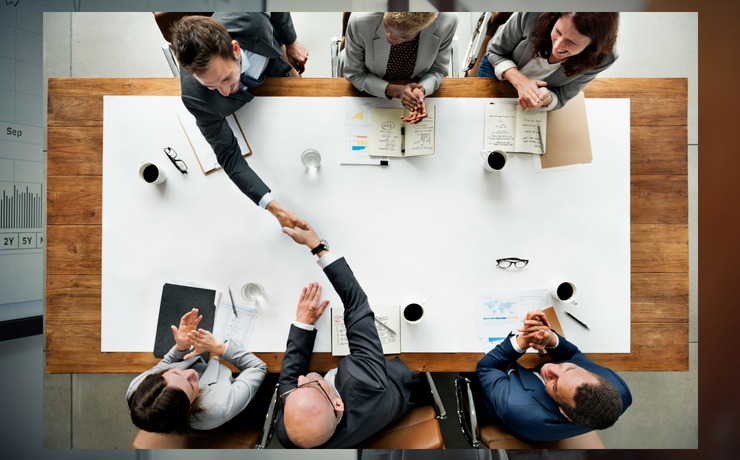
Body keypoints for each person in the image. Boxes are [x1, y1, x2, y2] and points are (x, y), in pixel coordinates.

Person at [274, 222, 421, 448]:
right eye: (306, 386)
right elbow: (356, 305)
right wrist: (317, 246)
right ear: (337, 404)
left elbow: (287, 381)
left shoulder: (291, 434)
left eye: (296, 389)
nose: (300, 379)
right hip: (395, 387)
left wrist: (303, 324)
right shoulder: (365, 381)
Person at [170, 13, 309, 228]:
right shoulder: (194, 98)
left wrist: (290, 41)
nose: (224, 93)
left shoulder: (251, 16)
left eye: (226, 78)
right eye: (211, 86)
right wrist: (276, 209)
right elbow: (228, 156)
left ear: (235, 49)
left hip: (274, 64)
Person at [476, 309, 632, 442]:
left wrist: (524, 340)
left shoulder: (514, 405)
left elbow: (486, 367)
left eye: (555, 385)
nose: (550, 369)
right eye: (568, 369)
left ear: (564, 413)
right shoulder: (618, 389)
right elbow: (573, 355)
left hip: (499, 405)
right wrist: (550, 338)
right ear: (593, 374)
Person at [126, 308, 267, 433]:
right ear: (189, 407)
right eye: (190, 386)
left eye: (176, 372)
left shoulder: (136, 388)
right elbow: (258, 367)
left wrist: (181, 348)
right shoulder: (220, 406)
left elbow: (167, 362)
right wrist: (219, 348)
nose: (190, 372)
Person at [478, 12, 619, 111]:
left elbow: (562, 97)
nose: (557, 47)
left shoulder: (604, 58)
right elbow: (495, 51)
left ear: (593, 46)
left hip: (532, 97)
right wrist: (521, 82)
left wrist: (545, 100)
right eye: (558, 31)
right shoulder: (531, 13)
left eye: (571, 42)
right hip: (497, 68)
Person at [342, 12, 458, 124]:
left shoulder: (447, 21)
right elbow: (355, 73)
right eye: (386, 25)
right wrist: (397, 91)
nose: (389, 36)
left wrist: (421, 90)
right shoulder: (361, 19)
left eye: (403, 36)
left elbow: (438, 69)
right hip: (367, 88)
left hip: (416, 82)